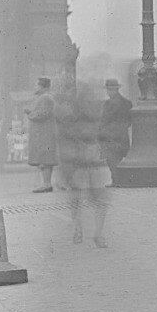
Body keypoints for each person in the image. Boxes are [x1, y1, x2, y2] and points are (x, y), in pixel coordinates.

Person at [54, 76, 110, 247]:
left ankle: (82, 231)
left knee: (78, 199)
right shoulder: (91, 113)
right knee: (98, 200)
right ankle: (96, 234)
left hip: (81, 162)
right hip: (89, 161)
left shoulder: (68, 114)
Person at [25, 76, 57, 192]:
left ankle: (47, 184)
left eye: (36, 85)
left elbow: (42, 114)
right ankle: (46, 183)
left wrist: (30, 114)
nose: (35, 87)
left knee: (44, 159)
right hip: (44, 133)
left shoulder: (46, 98)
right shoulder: (45, 97)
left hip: (44, 134)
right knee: (44, 158)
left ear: (42, 86)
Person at [100, 79, 133, 177]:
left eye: (111, 89)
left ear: (117, 89)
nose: (109, 92)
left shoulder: (125, 103)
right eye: (108, 89)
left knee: (113, 159)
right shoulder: (125, 102)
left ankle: (117, 179)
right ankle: (116, 179)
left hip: (116, 135)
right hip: (114, 135)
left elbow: (129, 120)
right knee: (112, 160)